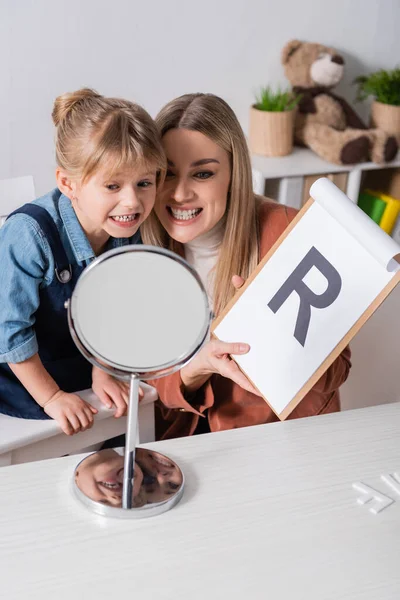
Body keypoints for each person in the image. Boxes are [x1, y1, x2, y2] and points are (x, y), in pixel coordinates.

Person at [141, 93, 351, 439]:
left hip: (281, 442)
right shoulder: (143, 246)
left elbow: (337, 371)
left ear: (234, 175)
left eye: (203, 174)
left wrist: (275, 332)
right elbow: (150, 384)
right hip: (186, 445)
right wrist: (195, 370)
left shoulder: (287, 232)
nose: (179, 193)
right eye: (167, 173)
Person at [0, 88, 165, 436]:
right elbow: (10, 333)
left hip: (80, 365)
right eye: (112, 185)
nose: (131, 201)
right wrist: (52, 398)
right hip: (22, 377)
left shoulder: (125, 228)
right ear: (67, 183)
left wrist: (102, 369)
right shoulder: (29, 234)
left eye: (144, 182)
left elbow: (113, 307)